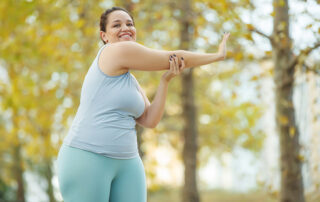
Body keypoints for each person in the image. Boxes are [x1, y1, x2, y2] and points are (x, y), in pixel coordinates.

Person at [57, 6, 230, 202]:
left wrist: (165, 81)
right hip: (87, 157)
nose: (125, 28)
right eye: (117, 25)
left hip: (128, 162)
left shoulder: (131, 82)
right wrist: (216, 56)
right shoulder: (114, 51)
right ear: (104, 36)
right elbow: (172, 57)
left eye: (130, 24)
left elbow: (149, 120)